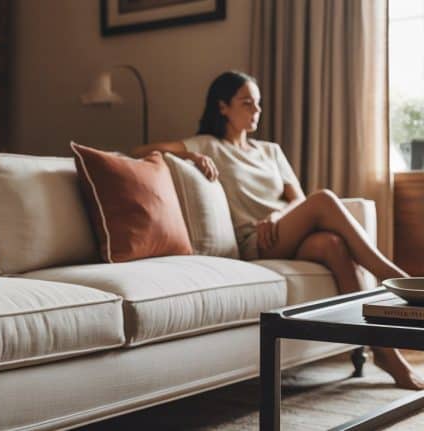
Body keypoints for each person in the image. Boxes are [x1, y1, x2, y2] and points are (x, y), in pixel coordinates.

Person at [132, 70, 424, 390]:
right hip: (255, 241)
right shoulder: (208, 145)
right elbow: (138, 151)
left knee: (332, 245)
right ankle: (391, 274)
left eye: (258, 104)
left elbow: (297, 199)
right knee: (324, 198)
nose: (256, 111)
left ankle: (385, 352)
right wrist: (189, 155)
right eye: (246, 103)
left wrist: (276, 215)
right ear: (223, 107)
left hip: (281, 228)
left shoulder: (270, 151)